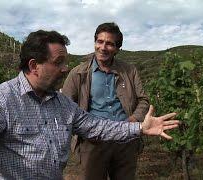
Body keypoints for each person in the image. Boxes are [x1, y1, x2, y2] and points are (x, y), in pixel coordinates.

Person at [0, 30, 179, 180]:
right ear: (33, 66)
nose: (65, 69)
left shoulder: (63, 105)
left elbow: (99, 127)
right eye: (59, 62)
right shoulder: (1, 99)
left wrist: (139, 129)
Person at [62, 22, 149, 180]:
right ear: (95, 43)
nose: (103, 47)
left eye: (109, 43)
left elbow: (143, 100)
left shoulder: (130, 71)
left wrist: (134, 119)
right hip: (94, 142)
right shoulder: (78, 73)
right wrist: (83, 130)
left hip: (126, 140)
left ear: (117, 48)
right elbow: (66, 106)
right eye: (100, 41)